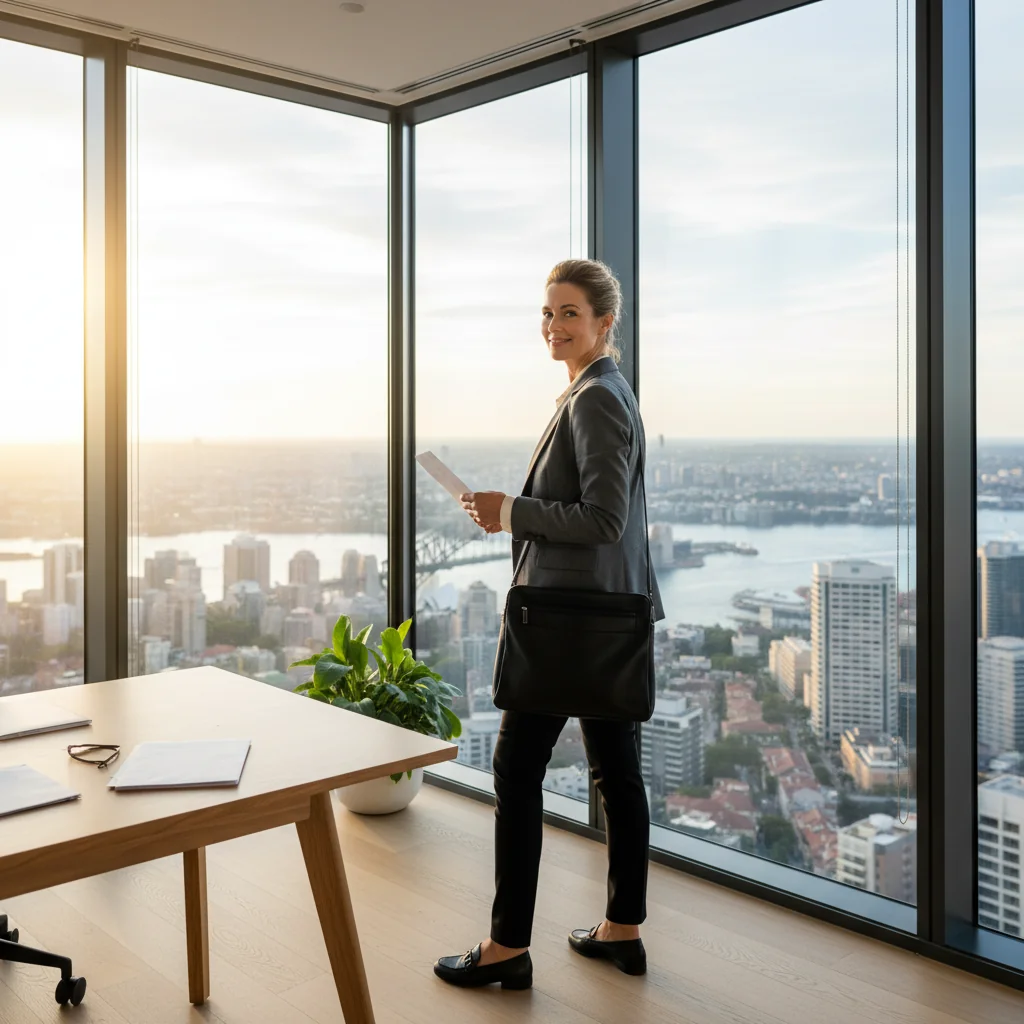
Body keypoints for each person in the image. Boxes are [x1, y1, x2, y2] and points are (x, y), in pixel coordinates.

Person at [433, 258, 665, 991]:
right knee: (616, 774)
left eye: (569, 313)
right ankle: (621, 931)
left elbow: (603, 519)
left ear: (604, 323)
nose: (553, 327)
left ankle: (507, 947)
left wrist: (513, 511)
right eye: (547, 313)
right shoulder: (601, 391)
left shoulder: (595, 398)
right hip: (599, 616)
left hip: (568, 621)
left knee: (516, 769)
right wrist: (507, 514)